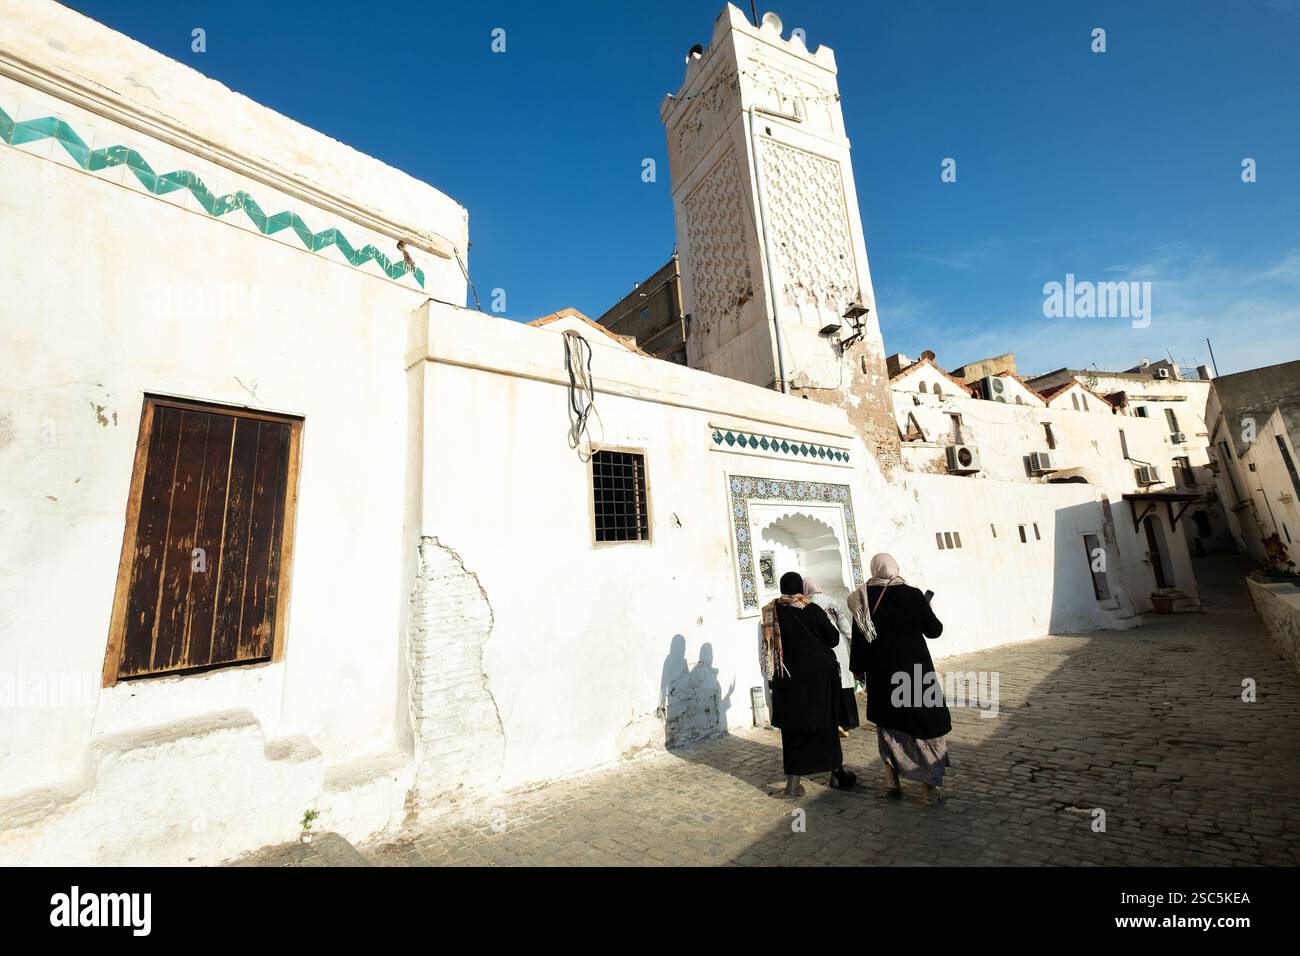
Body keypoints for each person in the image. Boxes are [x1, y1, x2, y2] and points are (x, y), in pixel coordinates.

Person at [847, 553, 951, 804]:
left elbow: (860, 641)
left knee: (889, 727)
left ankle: (891, 782)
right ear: (894, 568)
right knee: (925, 725)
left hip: (882, 675)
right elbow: (934, 631)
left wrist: (858, 669)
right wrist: (927, 611)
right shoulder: (914, 595)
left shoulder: (862, 599)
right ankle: (929, 788)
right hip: (916, 672)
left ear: (874, 569)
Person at [762, 571, 857, 796]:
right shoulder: (810, 608)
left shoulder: (771, 613)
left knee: (794, 730)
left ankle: (793, 784)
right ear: (801, 589)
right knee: (825, 724)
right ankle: (837, 774)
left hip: (788, 681)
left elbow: (769, 648)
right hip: (818, 680)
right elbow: (833, 638)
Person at [803, 576, 859, 738]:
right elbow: (844, 624)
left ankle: (835, 721)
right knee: (844, 682)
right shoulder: (830, 600)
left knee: (831, 686)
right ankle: (849, 720)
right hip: (838, 644)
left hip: (822, 648)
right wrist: (852, 643)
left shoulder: (806, 605)